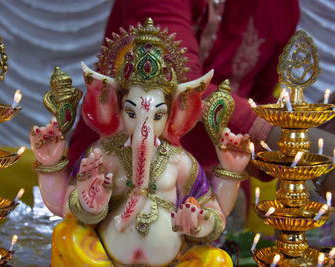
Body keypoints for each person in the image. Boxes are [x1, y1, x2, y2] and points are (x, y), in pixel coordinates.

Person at [68, 0, 303, 208]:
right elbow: (177, 80)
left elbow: (260, 97)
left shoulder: (283, 7)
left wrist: (305, 124)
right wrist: (280, 134)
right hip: (112, 177)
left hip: (221, 182)